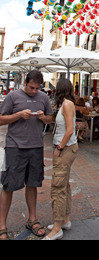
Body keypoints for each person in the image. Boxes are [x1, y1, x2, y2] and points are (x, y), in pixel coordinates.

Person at [0, 70, 53, 240]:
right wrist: (18, 115)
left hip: (36, 146)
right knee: (8, 186)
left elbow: (49, 119)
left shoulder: (43, 97)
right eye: (31, 87)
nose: (34, 91)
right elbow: (1, 119)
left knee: (33, 184)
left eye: (37, 88)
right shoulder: (13, 96)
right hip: (15, 147)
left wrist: (43, 117)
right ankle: (2, 226)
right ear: (26, 83)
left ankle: (32, 220)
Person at [44, 78, 78, 241]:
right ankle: (65, 220)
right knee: (64, 184)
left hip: (65, 149)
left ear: (59, 90)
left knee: (57, 187)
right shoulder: (66, 104)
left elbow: (70, 130)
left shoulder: (67, 105)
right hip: (67, 148)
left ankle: (57, 228)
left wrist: (59, 148)